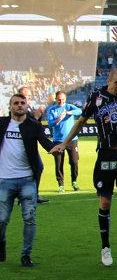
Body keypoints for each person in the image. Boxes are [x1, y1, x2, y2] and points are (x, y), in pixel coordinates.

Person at [55, 27, 117, 266]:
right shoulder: (95, 98)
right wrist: (64, 143)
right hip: (105, 154)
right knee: (105, 202)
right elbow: (81, 121)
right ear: (108, 81)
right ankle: (105, 248)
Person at [0, 94, 60, 268]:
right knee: (2, 219)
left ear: (27, 106)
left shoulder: (33, 126)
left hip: (27, 179)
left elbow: (46, 144)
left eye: (22, 103)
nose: (19, 106)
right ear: (10, 107)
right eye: (16, 103)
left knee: (29, 218)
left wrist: (55, 148)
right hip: (4, 179)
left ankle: (26, 255)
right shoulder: (2, 124)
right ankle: (1, 242)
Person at [46, 91, 82, 192]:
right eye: (59, 99)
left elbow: (80, 111)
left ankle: (74, 181)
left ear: (65, 99)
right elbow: (50, 124)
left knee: (74, 161)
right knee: (58, 163)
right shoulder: (52, 109)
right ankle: (60, 184)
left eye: (62, 99)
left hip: (72, 139)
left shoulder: (69, 107)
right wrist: (58, 119)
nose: (61, 101)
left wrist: (68, 112)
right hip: (58, 141)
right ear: (56, 99)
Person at [18, 88, 48, 204]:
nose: (29, 97)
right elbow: (25, 127)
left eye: (30, 95)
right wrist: (35, 117)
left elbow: (35, 126)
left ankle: (32, 195)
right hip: (22, 146)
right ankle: (26, 196)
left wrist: (38, 117)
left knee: (37, 168)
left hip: (31, 146)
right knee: (31, 169)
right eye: (27, 95)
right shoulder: (19, 109)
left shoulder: (28, 108)